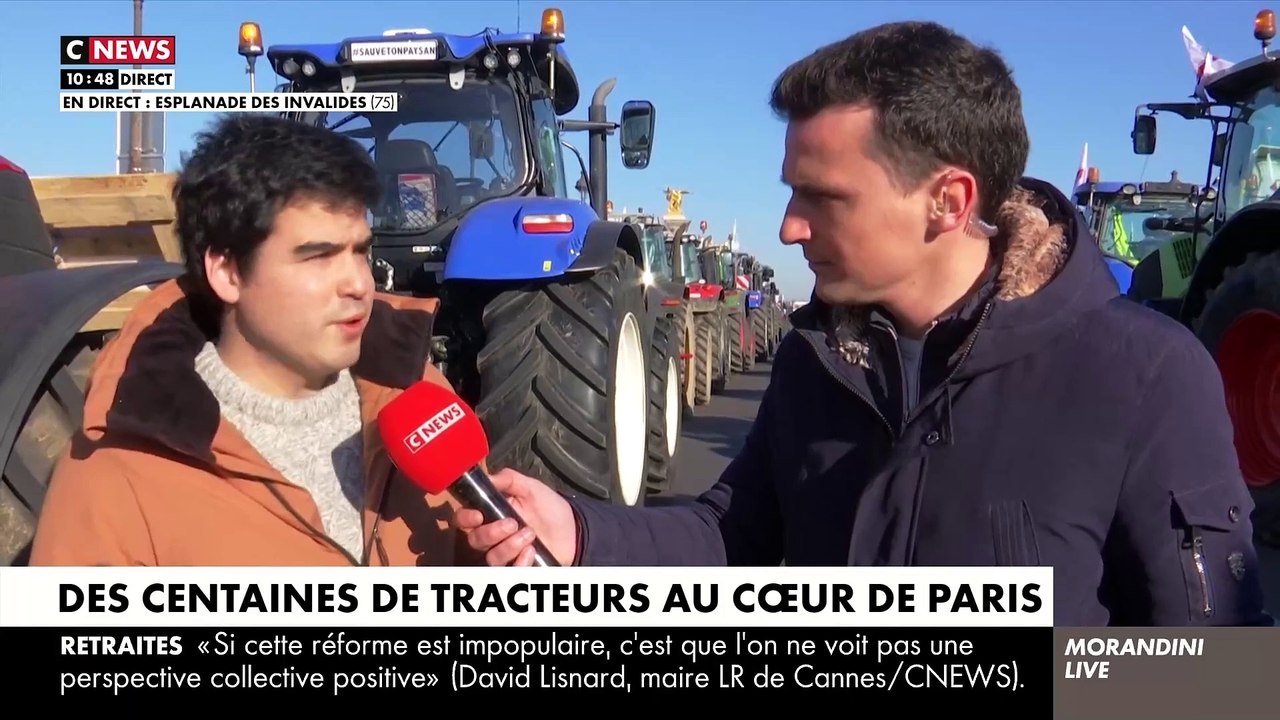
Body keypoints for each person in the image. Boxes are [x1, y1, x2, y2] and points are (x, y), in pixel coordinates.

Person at [455, 21, 1273, 626]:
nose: (788, 228)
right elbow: (732, 537)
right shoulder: (817, 360)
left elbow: (1212, 677)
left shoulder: (1143, 376)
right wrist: (581, 533)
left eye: (824, 197)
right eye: (790, 191)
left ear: (947, 202)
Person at [29, 114, 476, 567]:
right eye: (319, 256)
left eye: (360, 250)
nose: (359, 284)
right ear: (227, 273)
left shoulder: (420, 397)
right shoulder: (117, 476)